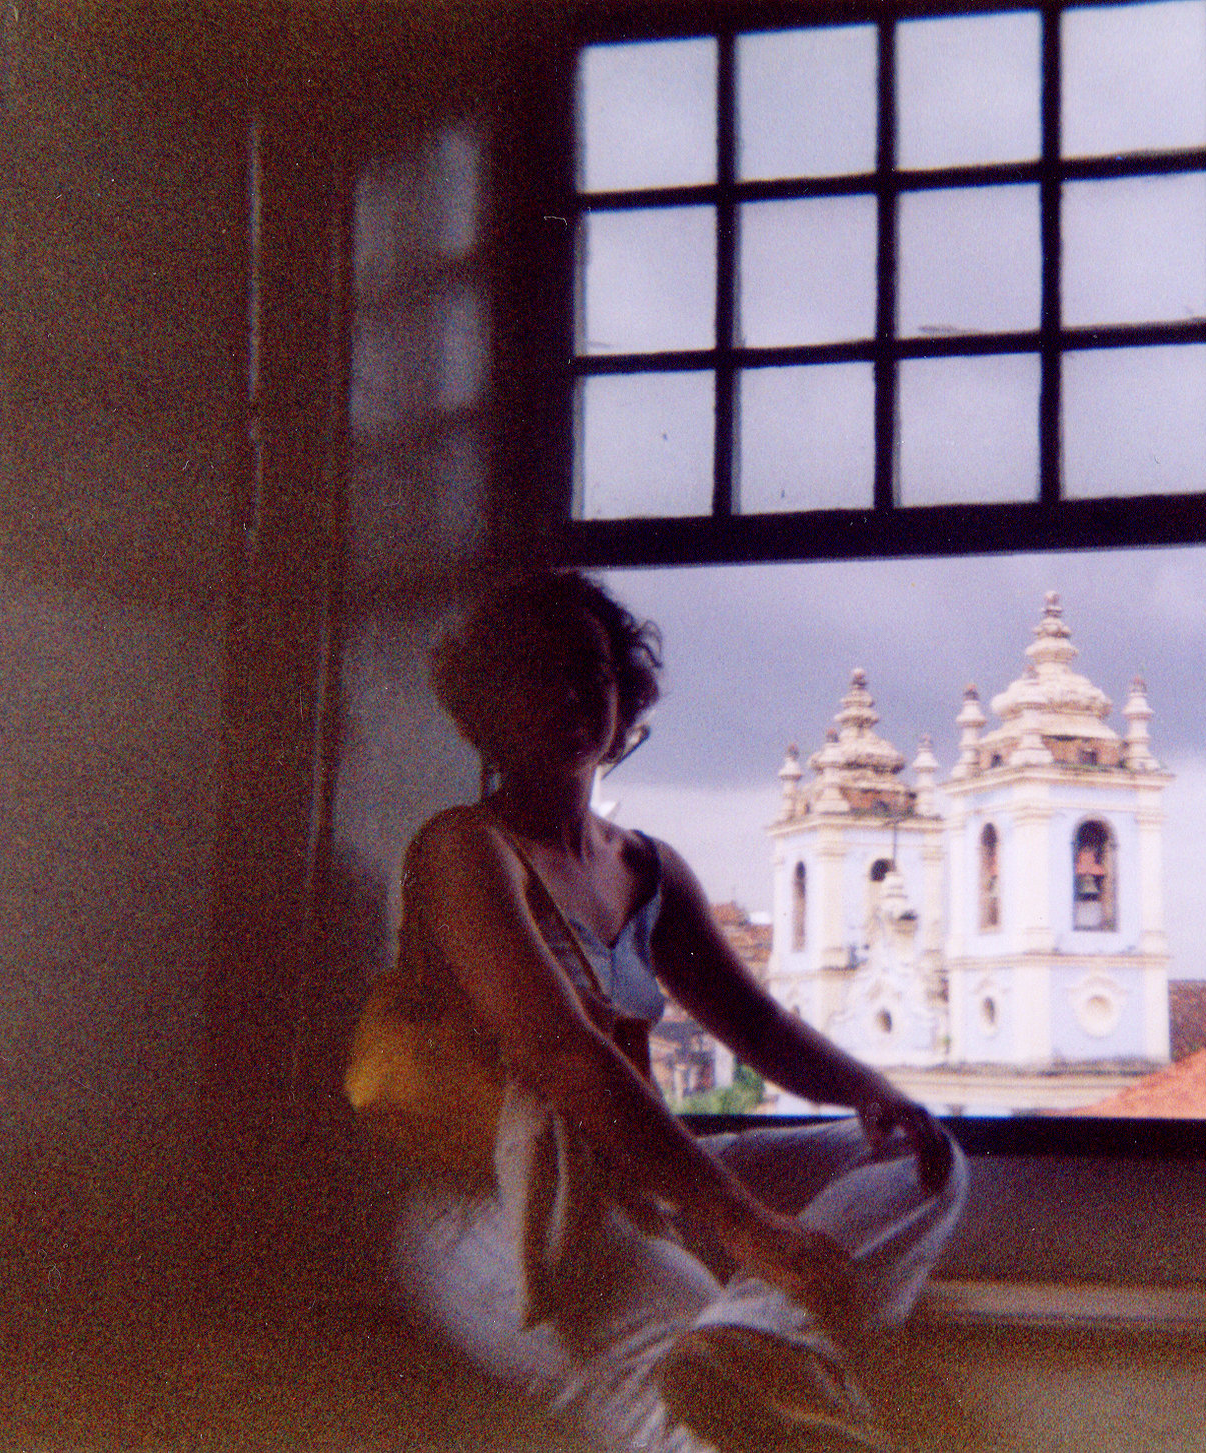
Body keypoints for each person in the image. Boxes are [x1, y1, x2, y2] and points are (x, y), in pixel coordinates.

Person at [384, 569, 968, 1453]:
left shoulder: (646, 866)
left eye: (595, 670)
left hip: (629, 1179)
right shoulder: (464, 849)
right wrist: (749, 1226)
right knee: (689, 1399)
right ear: (491, 701)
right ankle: (740, 1348)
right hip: (494, 1211)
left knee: (924, 1157)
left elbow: (760, 1028)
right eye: (542, 672)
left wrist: (871, 1092)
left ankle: (755, 1340)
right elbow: (568, 1057)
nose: (577, 692)